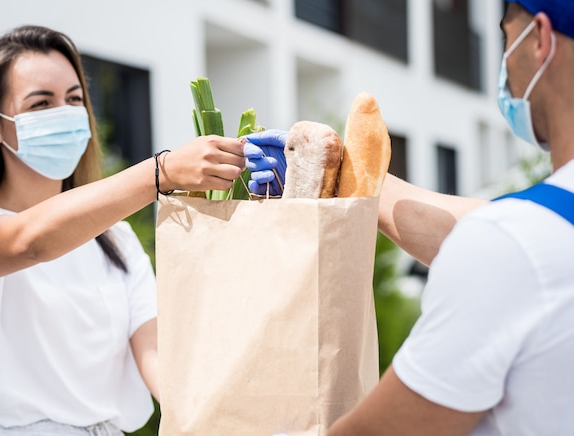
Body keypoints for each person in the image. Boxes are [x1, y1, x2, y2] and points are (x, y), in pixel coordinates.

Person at [246, 0, 574, 433]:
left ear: (540, 41)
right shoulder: (535, 231)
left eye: (506, 33)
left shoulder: (513, 246)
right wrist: (346, 177)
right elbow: (490, 232)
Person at [0, 25, 245, 435]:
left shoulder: (116, 240)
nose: (65, 113)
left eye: (74, 99)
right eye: (41, 103)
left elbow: (157, 359)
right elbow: (26, 243)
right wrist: (163, 171)